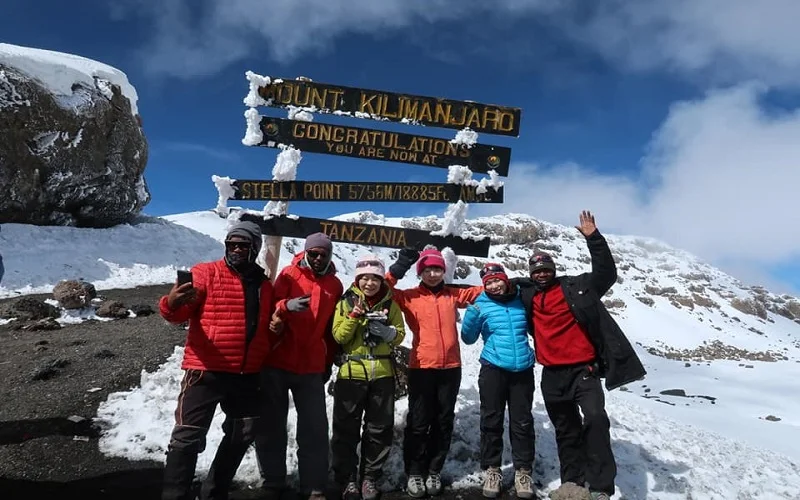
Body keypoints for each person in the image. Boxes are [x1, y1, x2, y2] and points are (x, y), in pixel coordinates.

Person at [515, 211, 646, 500]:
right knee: (566, 430)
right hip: (552, 375)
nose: (541, 274)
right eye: (536, 271)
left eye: (545, 269)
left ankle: (600, 488)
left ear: (553, 269)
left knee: (596, 420)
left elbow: (606, 274)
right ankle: (572, 483)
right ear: (530, 274)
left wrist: (594, 239)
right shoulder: (527, 296)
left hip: (583, 371)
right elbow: (495, 288)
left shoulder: (577, 286)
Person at [158, 221, 274, 500]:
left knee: (242, 434)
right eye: (231, 244)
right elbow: (177, 314)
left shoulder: (264, 284)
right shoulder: (205, 273)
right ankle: (175, 495)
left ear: (254, 248)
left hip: (247, 374)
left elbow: (267, 325)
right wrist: (171, 303)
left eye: (243, 245)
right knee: (187, 436)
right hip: (205, 371)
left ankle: (214, 492)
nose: (236, 249)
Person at [386, 246, 483, 498]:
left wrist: (509, 281)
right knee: (419, 423)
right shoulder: (409, 297)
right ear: (421, 272)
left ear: (443, 271)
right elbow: (382, 291)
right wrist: (399, 268)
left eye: (438, 269)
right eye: (428, 269)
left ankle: (434, 470)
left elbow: (485, 292)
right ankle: (415, 472)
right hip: (422, 367)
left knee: (443, 421)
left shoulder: (452, 295)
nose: (433, 273)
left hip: (451, 368)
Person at [255, 232, 344, 500]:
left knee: (315, 428)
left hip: (311, 365)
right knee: (271, 425)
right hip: (277, 361)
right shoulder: (288, 275)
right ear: (306, 252)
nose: (318, 258)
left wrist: (329, 361)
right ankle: (273, 481)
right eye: (314, 253)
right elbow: (271, 307)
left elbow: (331, 328)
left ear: (329, 255)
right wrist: (286, 306)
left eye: (323, 254)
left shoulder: (335, 285)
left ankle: (314, 485)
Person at [330, 255, 406, 500]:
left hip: (382, 374)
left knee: (379, 429)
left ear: (381, 280)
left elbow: (400, 335)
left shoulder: (391, 305)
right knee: (345, 429)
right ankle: (348, 479)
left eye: (375, 278)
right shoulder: (345, 303)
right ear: (357, 279)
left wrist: (387, 332)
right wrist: (353, 317)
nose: (369, 283)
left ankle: (370, 478)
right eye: (364, 278)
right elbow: (339, 337)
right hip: (351, 374)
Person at [461, 263, 536, 499]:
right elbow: (468, 338)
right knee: (491, 419)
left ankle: (523, 471)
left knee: (522, 422)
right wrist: (471, 316)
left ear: (505, 279)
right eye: (489, 282)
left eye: (497, 280)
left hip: (523, 369)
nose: (494, 285)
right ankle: (492, 469)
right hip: (493, 369)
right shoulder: (481, 304)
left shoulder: (521, 300)